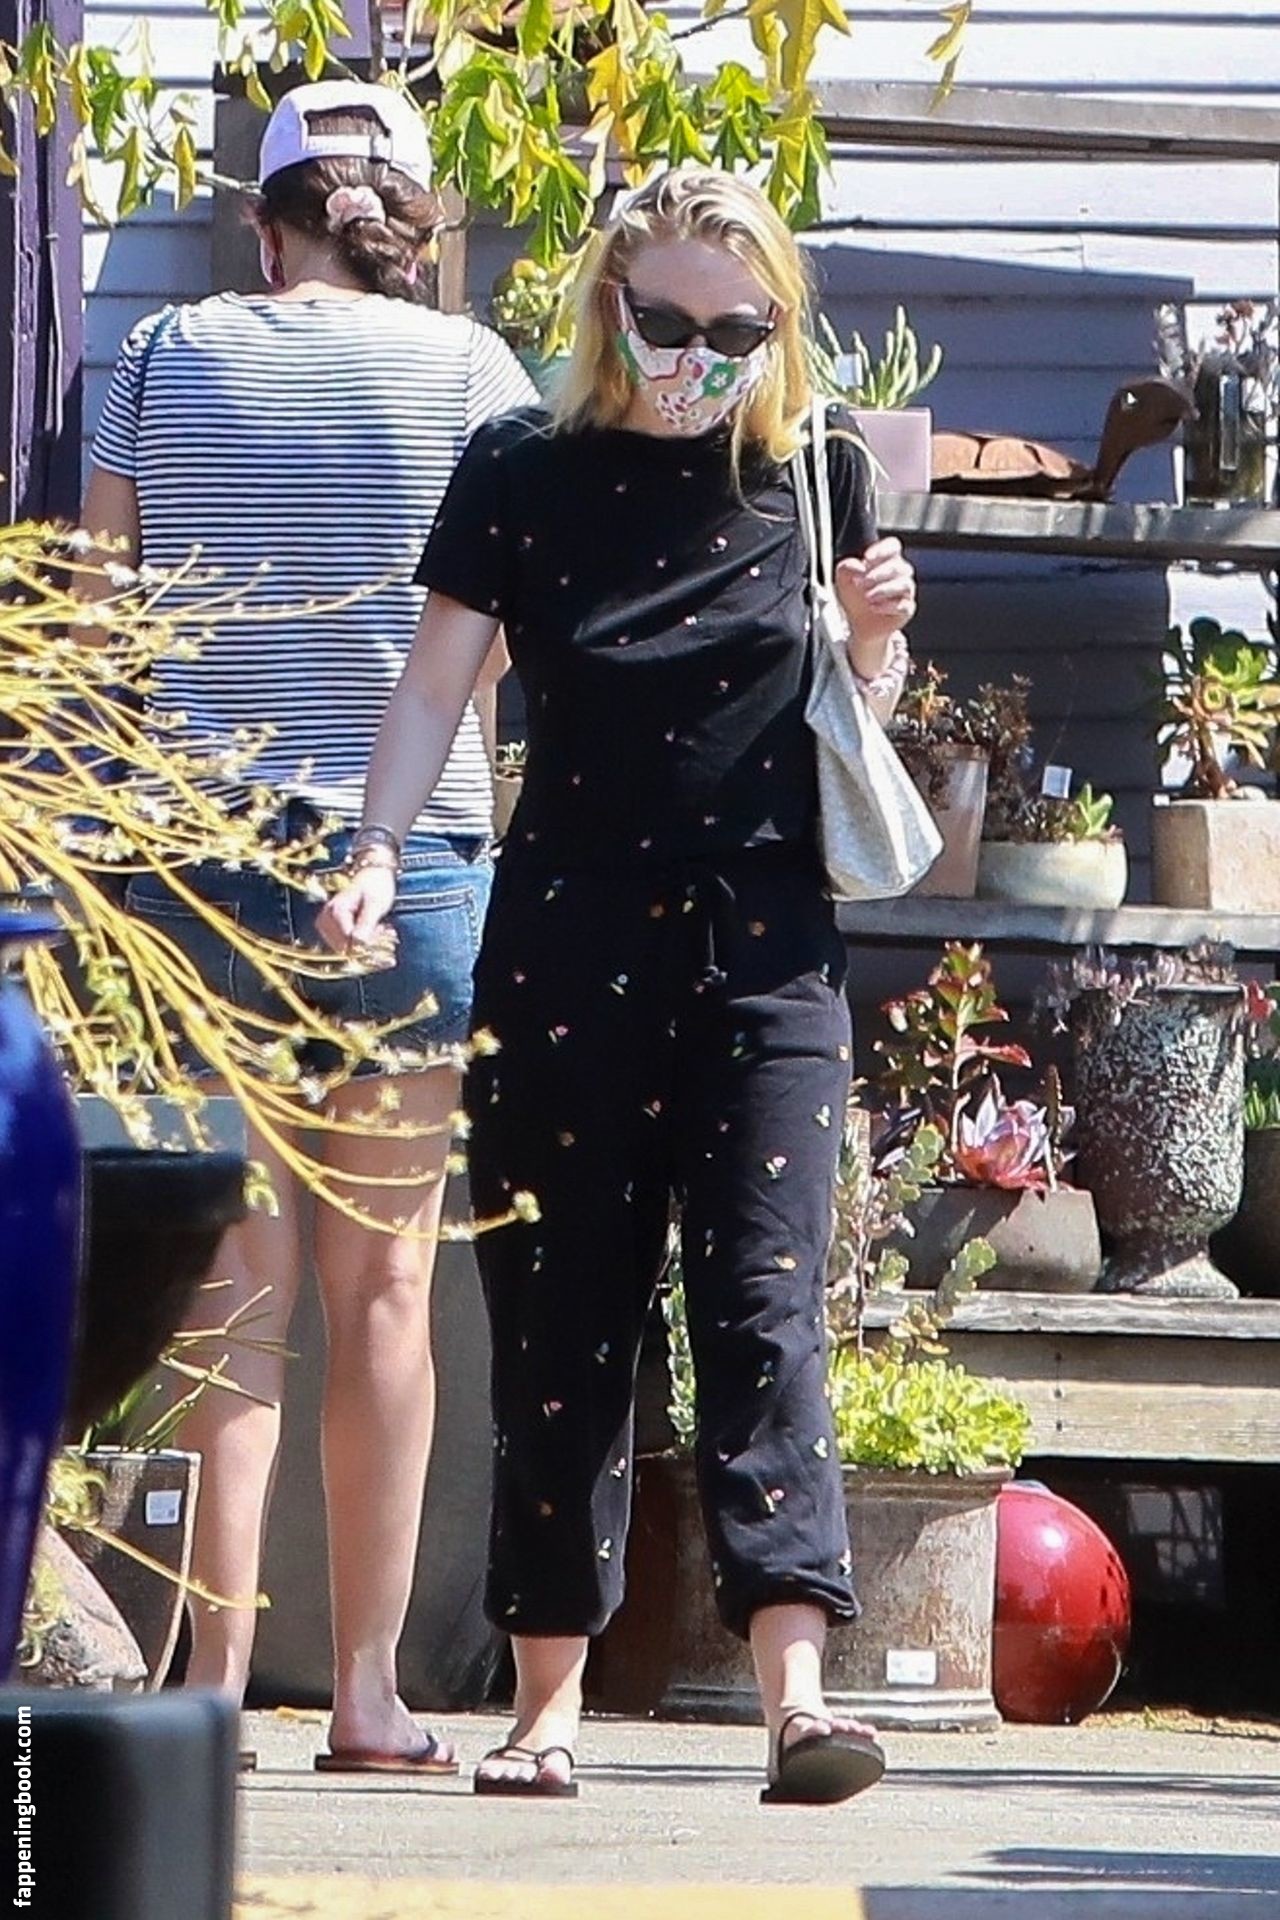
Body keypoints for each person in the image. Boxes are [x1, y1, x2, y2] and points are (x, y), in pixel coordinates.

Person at [318, 165, 918, 1803]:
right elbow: (433, 686)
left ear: (778, 331)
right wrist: (377, 850)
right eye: (664, 322)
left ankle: (798, 1699)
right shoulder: (523, 468)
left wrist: (875, 641)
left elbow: (857, 712)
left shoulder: (816, 471)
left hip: (766, 949)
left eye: (736, 331)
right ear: (607, 306)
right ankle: (547, 1706)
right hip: (569, 939)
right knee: (561, 1317)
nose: (695, 359)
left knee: (764, 1305)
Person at [81, 79, 535, 1772]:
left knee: (232, 1293)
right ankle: (367, 1692)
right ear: (406, 227)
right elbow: (494, 640)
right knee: (391, 1288)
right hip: (407, 862)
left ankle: (208, 1683)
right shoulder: (478, 375)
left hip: (200, 863)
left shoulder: (159, 359)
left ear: (264, 229)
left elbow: (104, 619)